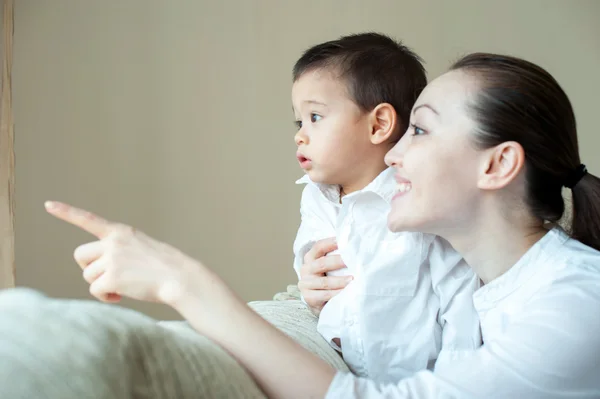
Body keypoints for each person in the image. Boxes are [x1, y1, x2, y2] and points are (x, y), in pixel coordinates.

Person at [38, 50, 600, 398]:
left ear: (497, 164)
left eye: (420, 131)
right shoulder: (494, 291)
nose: (394, 154)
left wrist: (181, 283)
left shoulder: (573, 305)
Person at [290, 32, 480, 381]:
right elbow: (310, 260)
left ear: (378, 125)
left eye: (315, 117)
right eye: (298, 121)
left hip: (419, 377)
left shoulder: (419, 199)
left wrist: (457, 376)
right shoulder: (316, 196)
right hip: (346, 371)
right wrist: (308, 284)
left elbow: (458, 290)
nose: (300, 134)